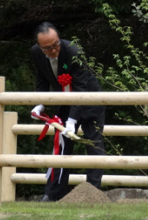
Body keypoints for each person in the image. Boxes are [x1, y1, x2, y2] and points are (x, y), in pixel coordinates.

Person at [30, 21, 105, 202]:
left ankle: (93, 193)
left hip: (89, 101)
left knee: (93, 144)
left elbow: (80, 89)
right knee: (61, 146)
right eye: (47, 48)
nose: (54, 50)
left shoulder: (73, 51)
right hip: (63, 102)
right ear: (40, 48)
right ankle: (53, 193)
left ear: (59, 39)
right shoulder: (35, 53)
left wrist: (72, 121)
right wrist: (41, 103)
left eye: (56, 45)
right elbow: (42, 79)